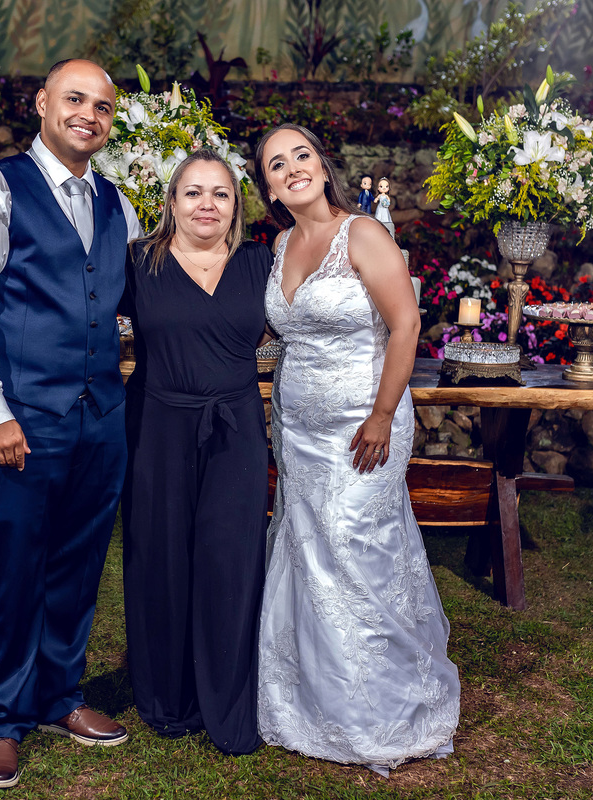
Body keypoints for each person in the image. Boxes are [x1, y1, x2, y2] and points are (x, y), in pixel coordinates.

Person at [0, 58, 142, 791]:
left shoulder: (119, 203)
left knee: (78, 566)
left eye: (103, 106)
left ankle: (60, 696)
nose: (89, 114)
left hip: (101, 418)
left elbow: (130, 302)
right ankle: (0, 719)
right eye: (74, 99)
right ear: (42, 103)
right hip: (20, 419)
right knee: (12, 569)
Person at [252, 123, 460, 775]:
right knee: (308, 552)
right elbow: (281, 335)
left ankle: (383, 708)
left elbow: (406, 324)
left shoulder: (363, 233)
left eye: (302, 155)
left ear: (322, 166)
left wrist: (382, 414)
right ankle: (312, 704)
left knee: (356, 548)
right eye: (277, 164)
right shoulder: (281, 244)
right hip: (296, 428)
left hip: (364, 427)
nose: (293, 168)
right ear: (268, 188)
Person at [121, 149, 272, 756]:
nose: (206, 205)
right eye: (193, 192)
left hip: (236, 428)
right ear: (172, 202)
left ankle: (228, 700)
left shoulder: (262, 262)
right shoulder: (138, 263)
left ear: (236, 206)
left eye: (220, 194)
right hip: (157, 426)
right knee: (159, 557)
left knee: (231, 561)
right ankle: (167, 698)